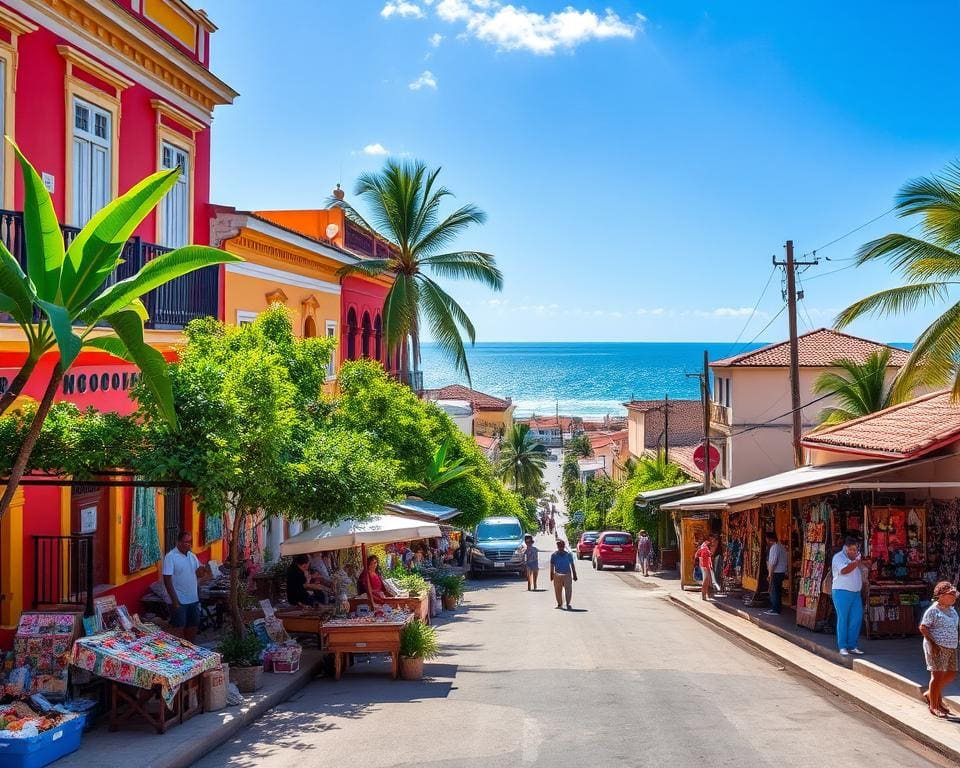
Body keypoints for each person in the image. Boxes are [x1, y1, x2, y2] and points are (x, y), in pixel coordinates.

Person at [920, 581, 960, 718]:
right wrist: (933, 644)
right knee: (937, 676)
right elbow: (923, 627)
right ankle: (934, 706)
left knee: (951, 674)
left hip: (952, 646)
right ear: (941, 596)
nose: (954, 597)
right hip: (937, 647)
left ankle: (931, 693)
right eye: (951, 595)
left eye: (955, 595)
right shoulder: (933, 610)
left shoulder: (952, 610)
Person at [162, 531, 210, 642]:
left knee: (193, 625)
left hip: (193, 599)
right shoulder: (171, 557)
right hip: (179, 600)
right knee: (179, 628)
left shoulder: (192, 556)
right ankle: (179, 649)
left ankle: (190, 646)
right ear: (178, 542)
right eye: (186, 542)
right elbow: (167, 580)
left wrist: (203, 570)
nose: (188, 544)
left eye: (190, 542)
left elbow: (198, 574)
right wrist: (175, 601)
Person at [831, 536, 870, 656]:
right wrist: (856, 562)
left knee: (856, 618)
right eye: (851, 549)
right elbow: (844, 570)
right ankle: (842, 646)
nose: (854, 552)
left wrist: (863, 563)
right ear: (846, 548)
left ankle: (852, 645)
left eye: (856, 549)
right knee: (843, 618)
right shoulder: (838, 557)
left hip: (855, 592)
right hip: (841, 592)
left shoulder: (856, 558)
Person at [763, 532, 789, 616]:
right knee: (778, 590)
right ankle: (777, 607)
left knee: (774, 591)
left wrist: (769, 574)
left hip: (776, 572)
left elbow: (773, 562)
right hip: (781, 571)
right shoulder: (781, 547)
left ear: (769, 539)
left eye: (766, 539)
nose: (766, 540)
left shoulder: (774, 548)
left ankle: (775, 609)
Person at [550, 540, 578, 609]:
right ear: (557, 546)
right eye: (559, 546)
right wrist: (551, 575)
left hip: (567, 574)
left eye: (562, 546)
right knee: (558, 590)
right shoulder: (554, 555)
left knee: (568, 590)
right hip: (557, 575)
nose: (560, 547)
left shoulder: (568, 555)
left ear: (564, 546)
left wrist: (574, 575)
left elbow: (572, 565)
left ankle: (568, 603)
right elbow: (552, 566)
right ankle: (559, 604)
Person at [696, 536, 716, 602]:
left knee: (706, 580)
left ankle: (705, 595)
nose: (712, 541)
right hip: (705, 565)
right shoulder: (705, 547)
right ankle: (704, 595)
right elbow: (705, 557)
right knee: (706, 580)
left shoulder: (704, 546)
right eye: (711, 540)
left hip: (704, 565)